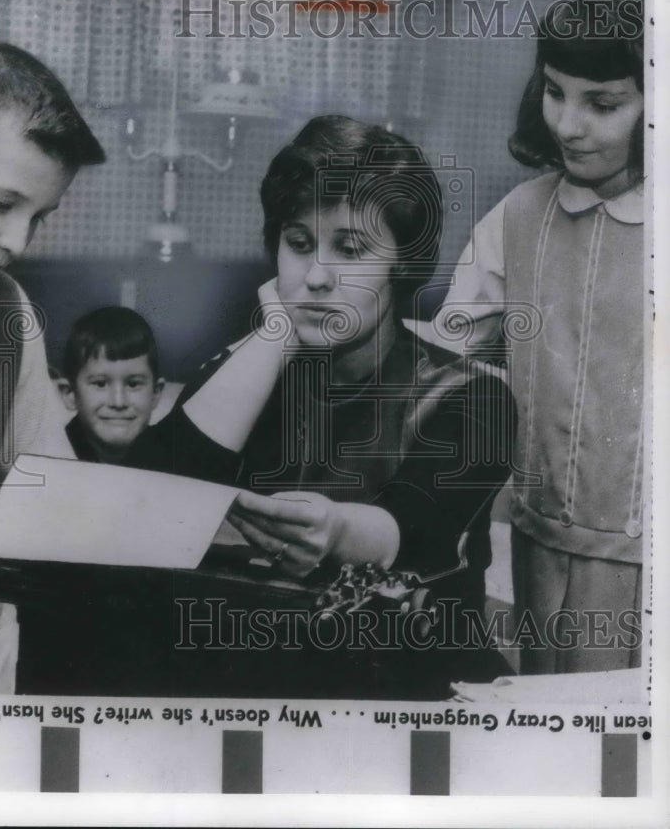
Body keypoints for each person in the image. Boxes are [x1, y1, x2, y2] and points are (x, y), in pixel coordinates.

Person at [127, 116, 516, 680]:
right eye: (299, 244)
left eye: (350, 249)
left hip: (410, 705)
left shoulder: (471, 396)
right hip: (257, 691)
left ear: (402, 262)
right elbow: (145, 503)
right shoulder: (243, 369)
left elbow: (415, 524)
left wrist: (333, 530)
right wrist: (275, 335)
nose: (316, 276)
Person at [420, 0, 645, 674]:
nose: (568, 125)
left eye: (601, 103)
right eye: (554, 93)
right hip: (537, 549)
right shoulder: (517, 218)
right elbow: (441, 361)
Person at [0, 42, 105, 690]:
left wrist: (17, 611)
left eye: (38, 217)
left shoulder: (6, 313)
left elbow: (51, 496)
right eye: (3, 204)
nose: (16, 244)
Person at [58, 306, 164, 464]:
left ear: (155, 393)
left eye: (133, 384)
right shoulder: (52, 456)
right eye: (100, 384)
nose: (118, 402)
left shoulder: (172, 460)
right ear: (70, 394)